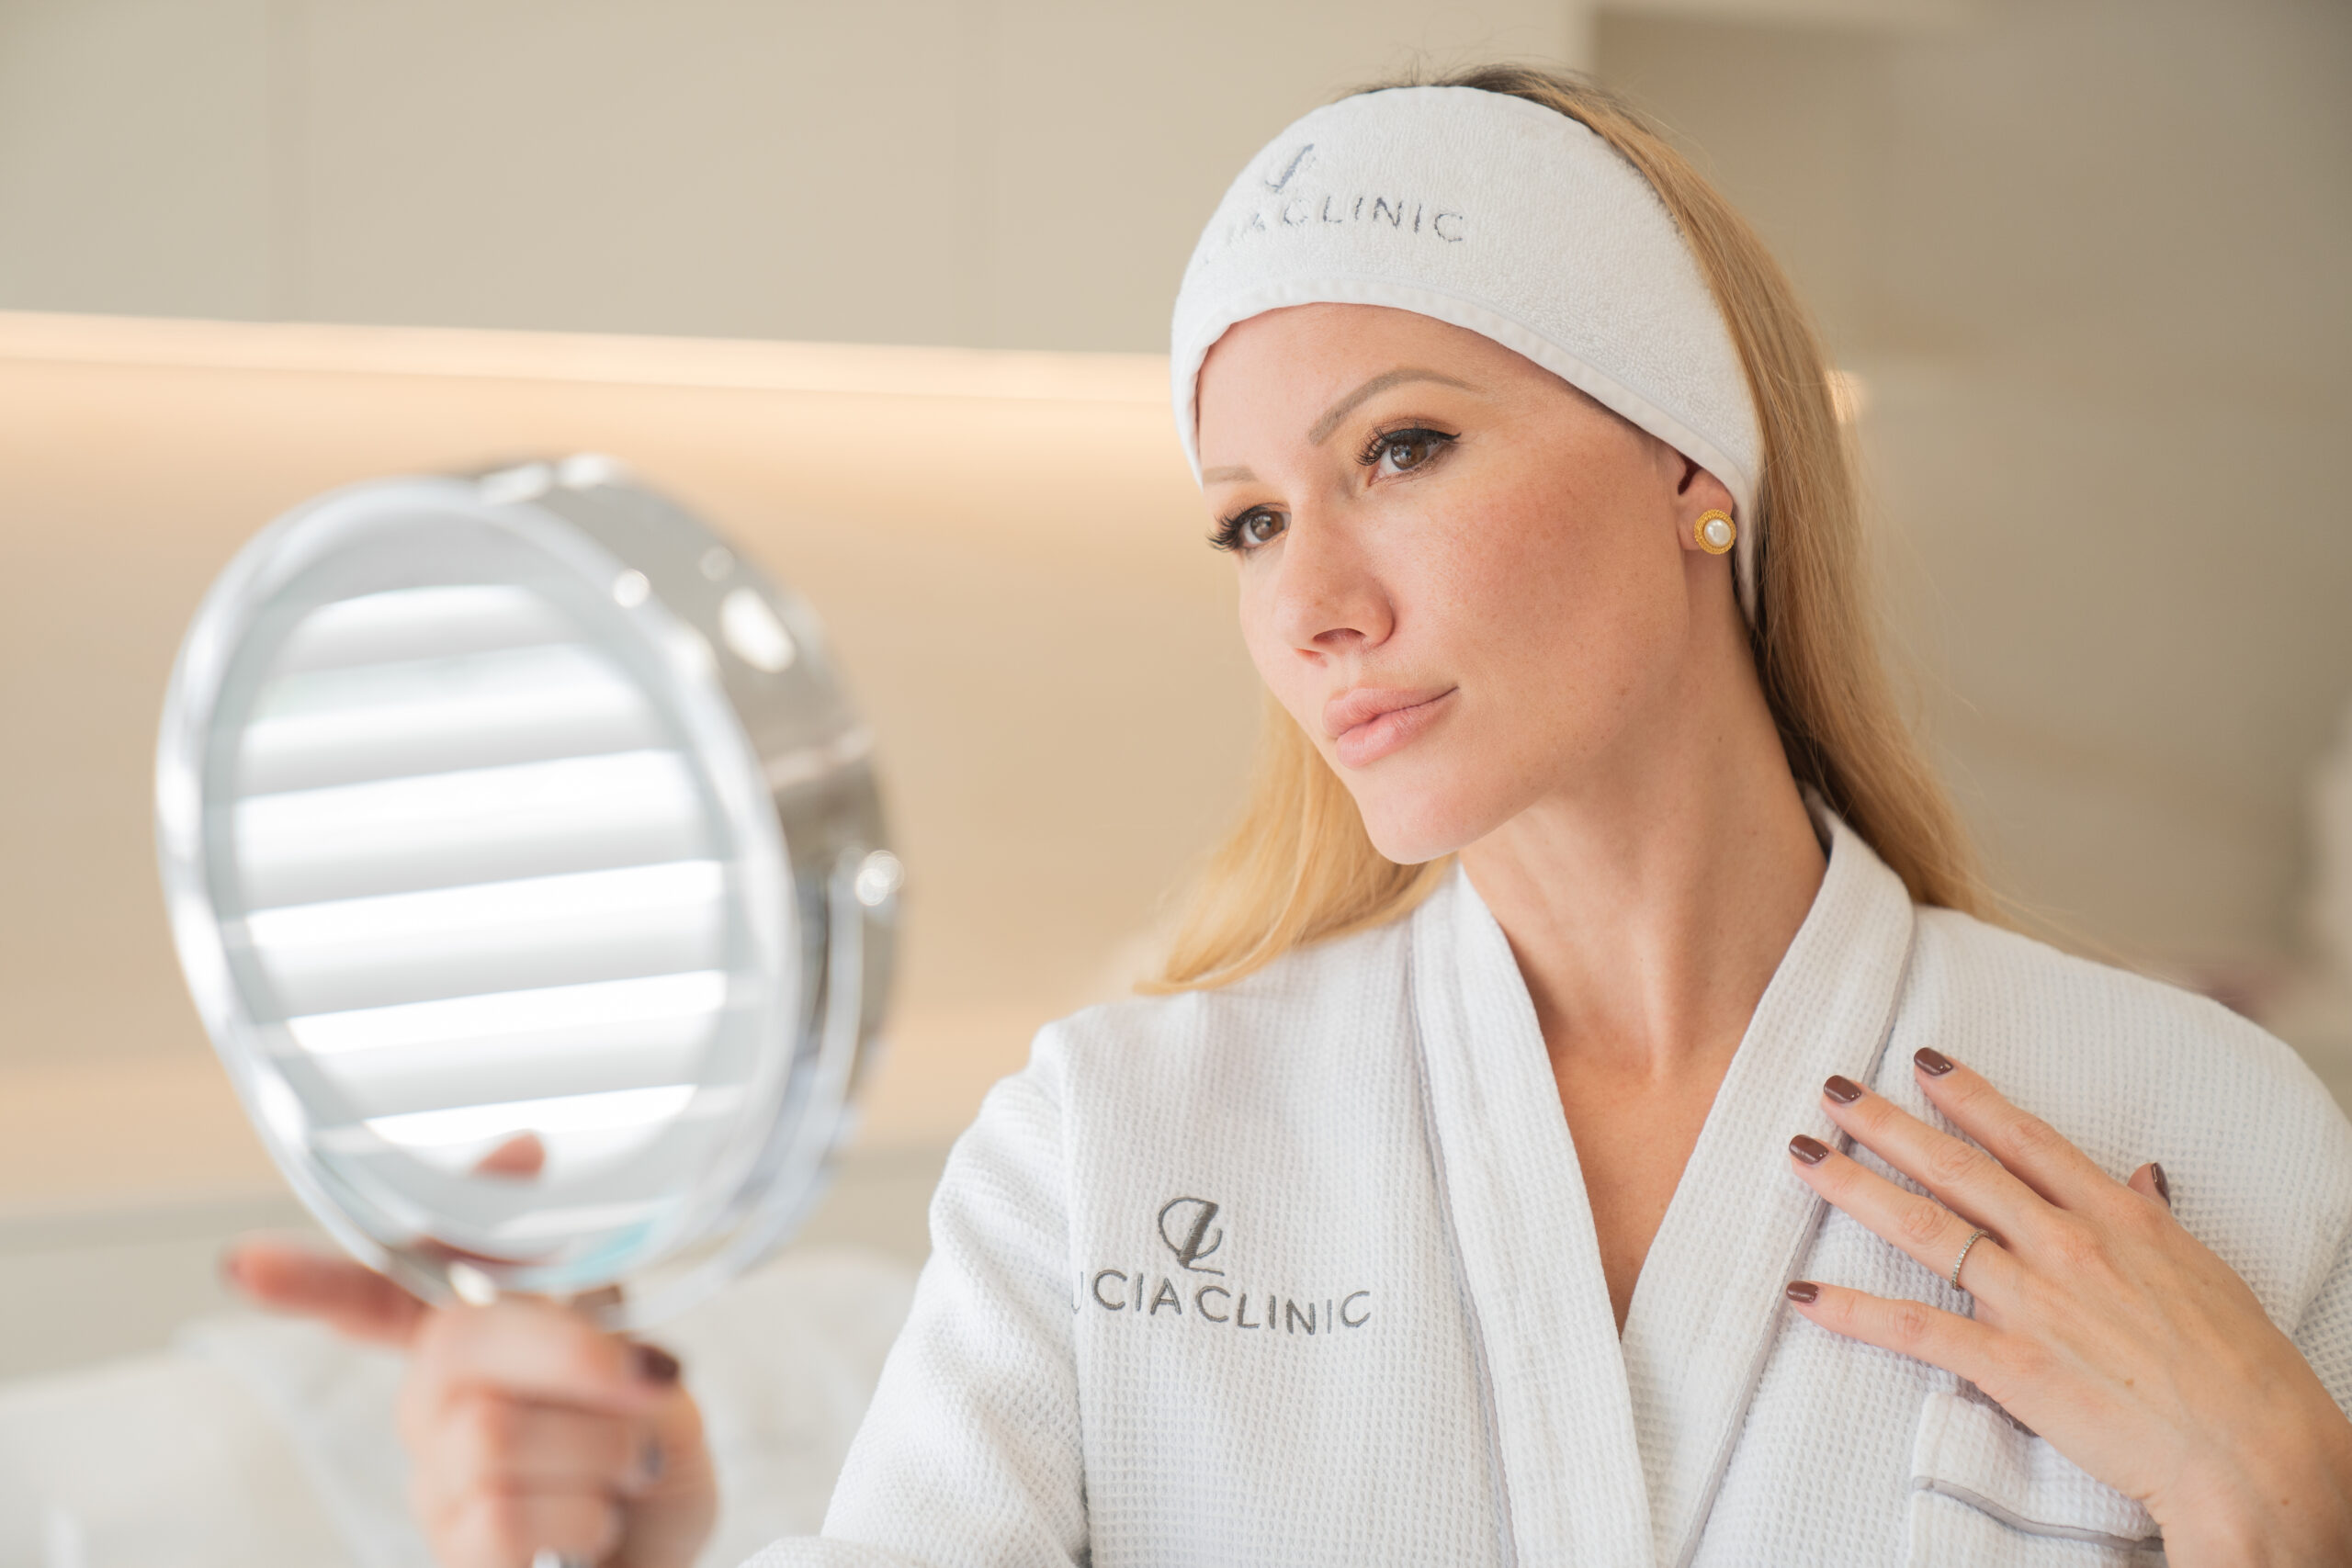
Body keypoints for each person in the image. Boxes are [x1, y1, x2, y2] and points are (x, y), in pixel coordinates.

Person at [232, 65, 2352, 1565]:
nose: (1312, 603)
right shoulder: (1123, 1132)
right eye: (1246, 519)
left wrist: (2278, 1500)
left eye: (1401, 448)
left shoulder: (2190, 1127)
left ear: (1694, 463)